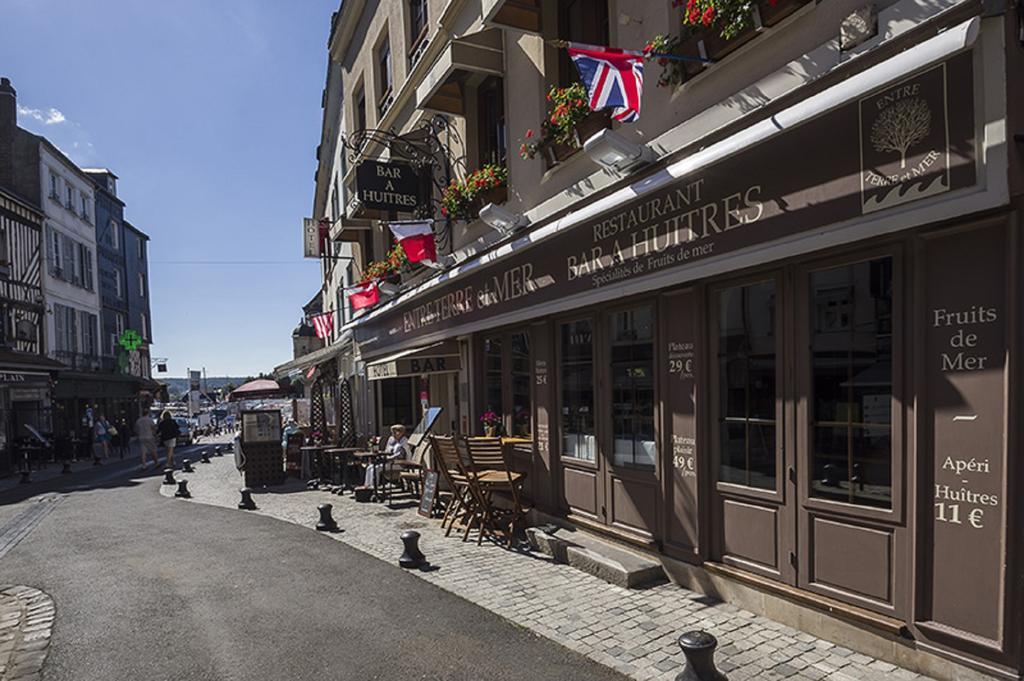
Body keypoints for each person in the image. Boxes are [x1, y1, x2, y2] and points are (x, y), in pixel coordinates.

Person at [363, 424, 410, 490]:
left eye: (394, 432)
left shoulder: (404, 442)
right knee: (369, 467)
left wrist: (387, 458)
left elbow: (400, 455)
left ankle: (373, 487)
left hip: (400, 464)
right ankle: (367, 487)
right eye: (392, 433)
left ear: (400, 432)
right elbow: (390, 451)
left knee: (376, 469)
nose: (393, 435)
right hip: (392, 462)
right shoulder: (395, 441)